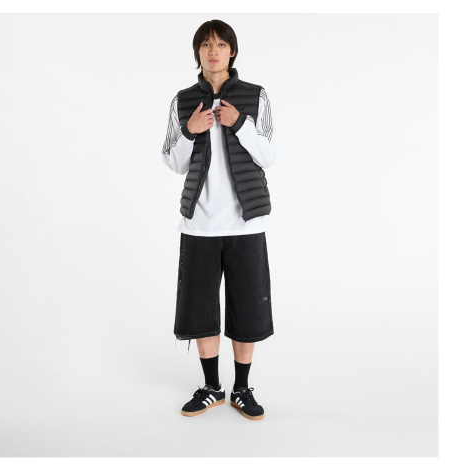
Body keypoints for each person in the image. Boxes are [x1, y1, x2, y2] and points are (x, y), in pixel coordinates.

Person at [161, 19, 277, 421]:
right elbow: (173, 162)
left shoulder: (255, 96)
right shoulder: (182, 101)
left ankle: (241, 389)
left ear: (233, 51)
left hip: (246, 223)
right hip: (199, 224)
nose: (213, 51)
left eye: (221, 44)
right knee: (200, 309)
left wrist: (239, 123)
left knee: (247, 309)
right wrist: (189, 130)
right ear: (198, 52)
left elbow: (269, 155)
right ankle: (212, 387)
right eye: (206, 44)